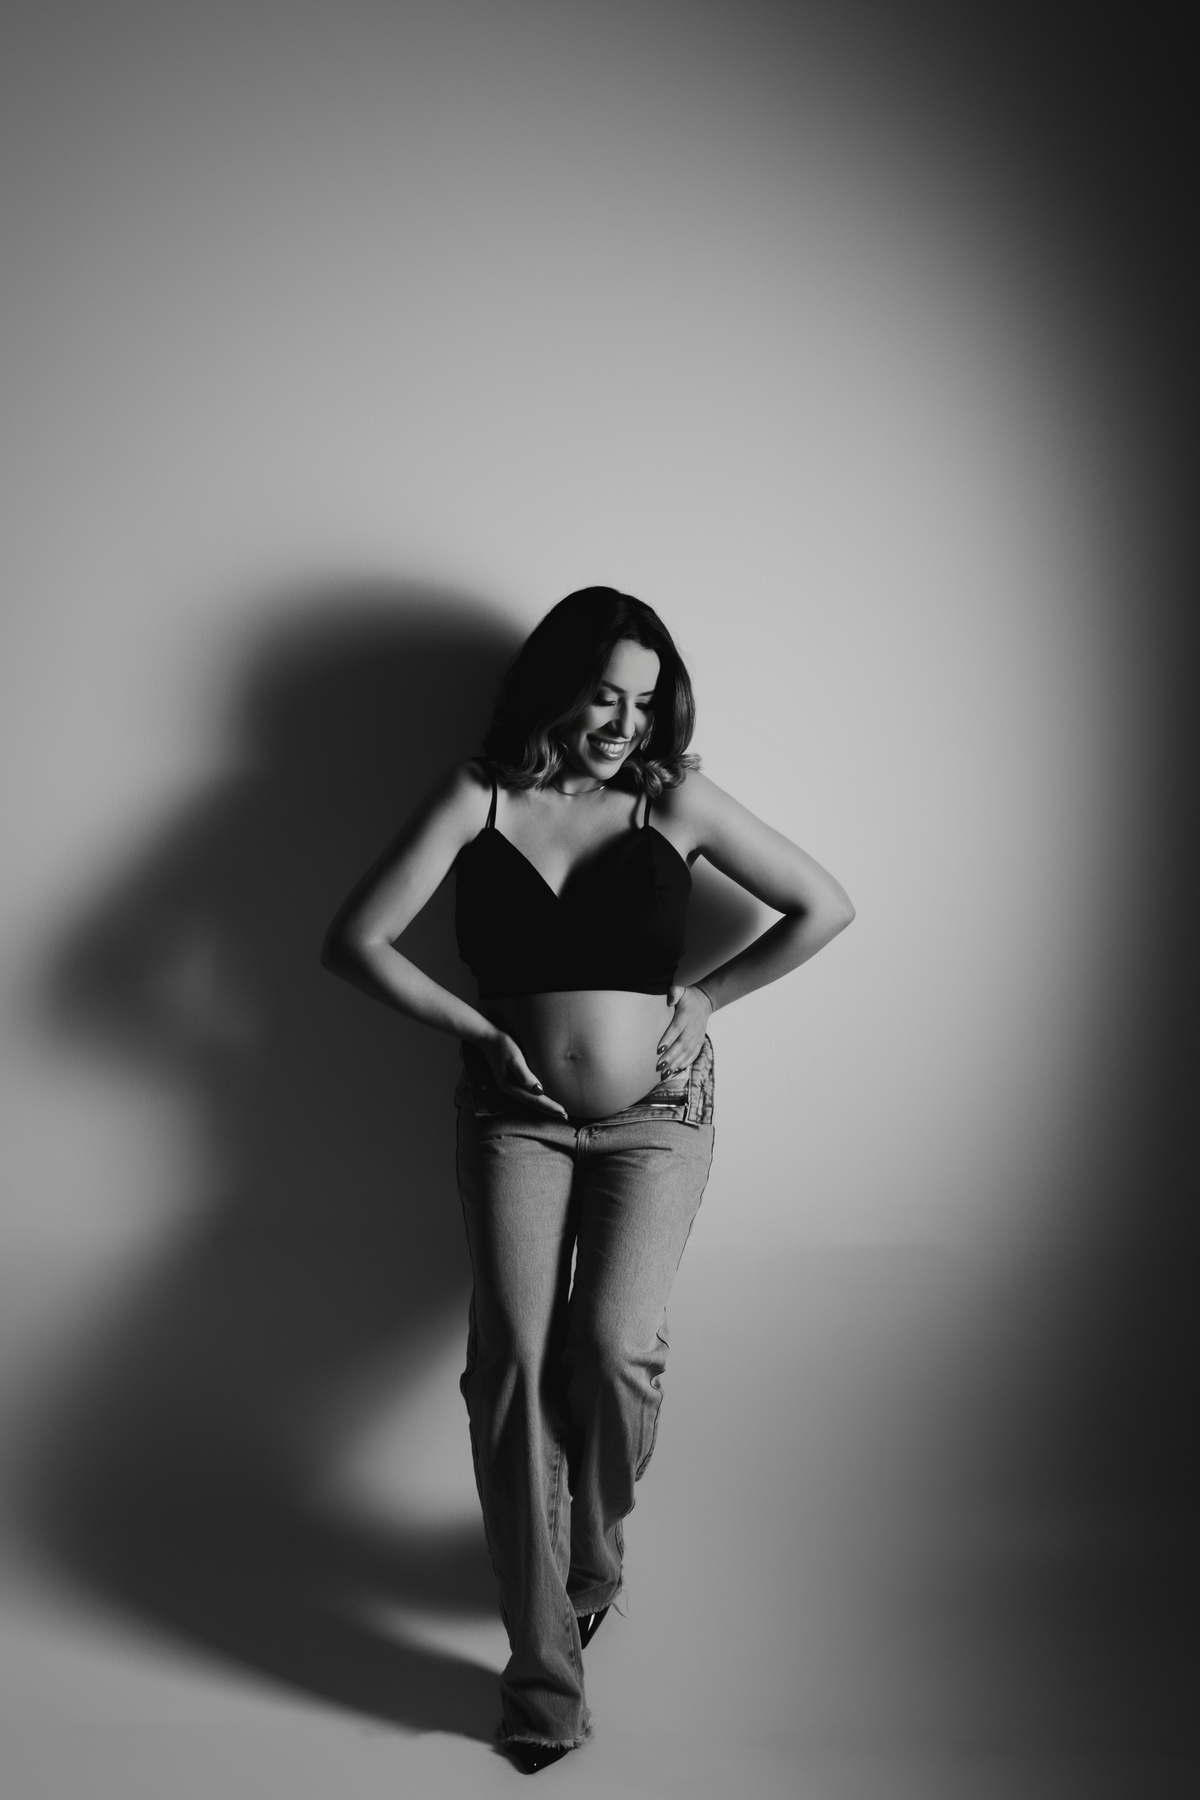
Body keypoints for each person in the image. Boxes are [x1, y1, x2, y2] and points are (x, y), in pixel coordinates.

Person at [323, 587, 853, 1772]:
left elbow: (825, 905)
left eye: (644, 703)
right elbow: (352, 941)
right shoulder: (479, 796)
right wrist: (473, 1029)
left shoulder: (674, 801)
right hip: (513, 1119)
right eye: (604, 696)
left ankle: (591, 1560)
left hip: (657, 1120)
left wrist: (708, 996)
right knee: (511, 1366)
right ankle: (542, 1680)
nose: (623, 723)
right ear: (554, 688)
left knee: (612, 1350)